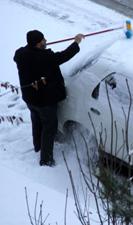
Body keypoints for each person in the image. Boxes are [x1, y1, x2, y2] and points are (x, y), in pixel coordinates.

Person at [14, 30, 84, 167]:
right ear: (38, 43)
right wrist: (76, 42)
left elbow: (26, 51)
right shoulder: (45, 58)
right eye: (43, 40)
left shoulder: (21, 54)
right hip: (44, 101)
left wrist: (31, 47)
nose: (46, 40)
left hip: (29, 97)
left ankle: (38, 147)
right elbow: (64, 56)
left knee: (36, 120)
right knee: (49, 127)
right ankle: (46, 160)